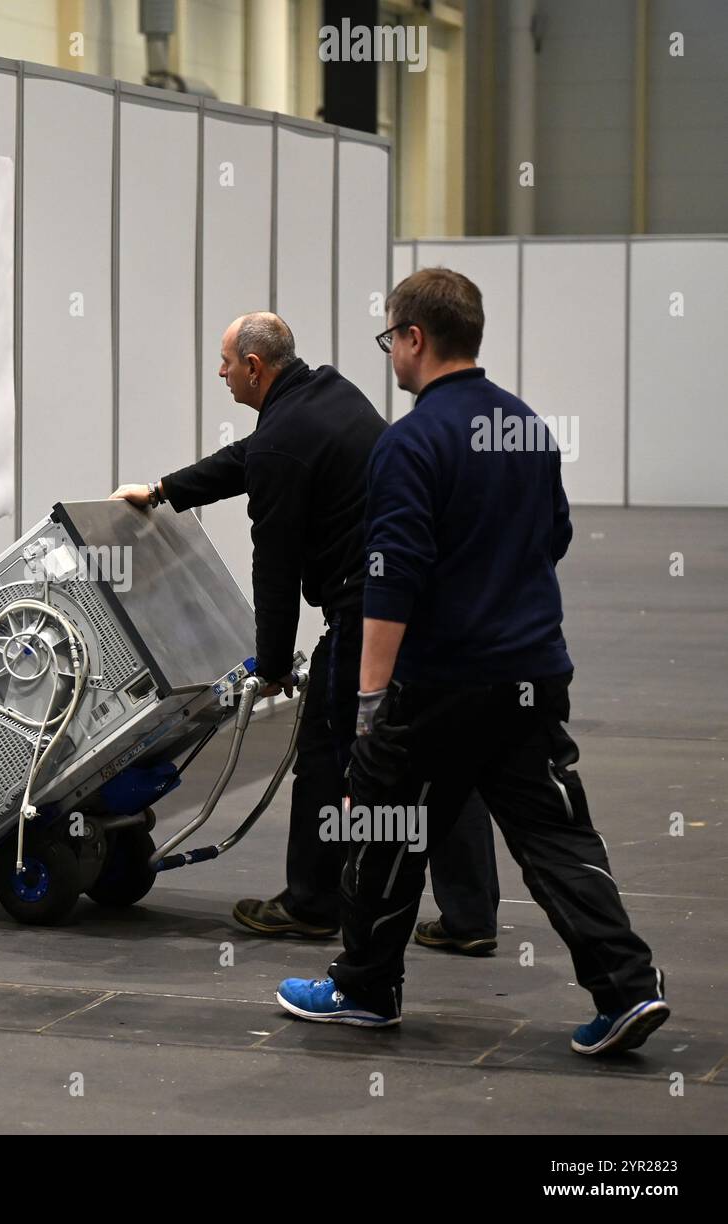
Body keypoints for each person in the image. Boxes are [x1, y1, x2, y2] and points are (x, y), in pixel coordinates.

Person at [277, 268, 668, 1056]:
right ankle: (627, 988)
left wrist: (367, 708)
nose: (390, 353)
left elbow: (391, 582)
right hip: (532, 673)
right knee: (557, 836)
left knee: (388, 825)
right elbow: (552, 537)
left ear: (415, 339)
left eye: (391, 338)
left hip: (443, 684)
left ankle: (363, 988)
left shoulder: (411, 442)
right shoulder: (525, 426)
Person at [112, 311, 498, 944]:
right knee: (444, 755)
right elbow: (249, 459)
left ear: (256, 368)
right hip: (433, 605)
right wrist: (162, 490)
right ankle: (471, 916)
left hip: (369, 615)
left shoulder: (283, 438)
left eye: (227, 362)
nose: (221, 372)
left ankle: (314, 903)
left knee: (324, 753)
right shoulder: (329, 394)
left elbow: (277, 564)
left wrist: (268, 665)